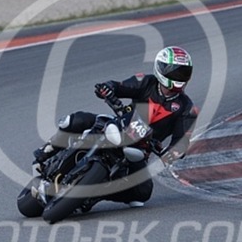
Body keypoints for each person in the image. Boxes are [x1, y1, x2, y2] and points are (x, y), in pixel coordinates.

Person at [34, 46, 199, 207]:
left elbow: (182, 140)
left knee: (142, 193)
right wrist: (107, 88)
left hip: (140, 150)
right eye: (175, 72)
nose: (179, 77)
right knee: (76, 120)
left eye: (183, 73)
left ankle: (96, 194)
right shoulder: (146, 81)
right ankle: (46, 151)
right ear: (161, 69)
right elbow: (119, 86)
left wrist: (172, 153)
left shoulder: (187, 108)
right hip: (118, 126)